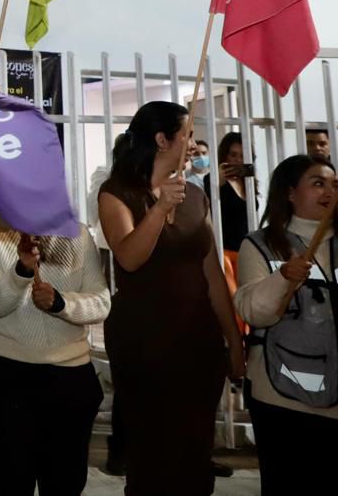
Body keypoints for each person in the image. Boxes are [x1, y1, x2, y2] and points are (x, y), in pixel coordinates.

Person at [98, 101, 245, 496]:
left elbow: (212, 274)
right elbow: (129, 257)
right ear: (162, 140)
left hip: (197, 338)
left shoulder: (196, 196)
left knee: (195, 450)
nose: (194, 145)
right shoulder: (117, 193)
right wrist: (160, 207)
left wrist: (233, 340)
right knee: (153, 453)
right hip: (144, 341)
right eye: (188, 135)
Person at [0, 217, 110, 495]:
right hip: (8, 380)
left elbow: (101, 302)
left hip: (71, 380)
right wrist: (21, 271)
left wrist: (61, 303)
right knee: (9, 484)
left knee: (65, 485)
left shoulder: (78, 233)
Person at [235, 154, 338, 494]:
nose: (329, 192)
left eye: (335, 185)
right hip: (281, 398)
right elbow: (254, 311)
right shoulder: (261, 245)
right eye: (318, 183)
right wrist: (283, 278)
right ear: (290, 193)